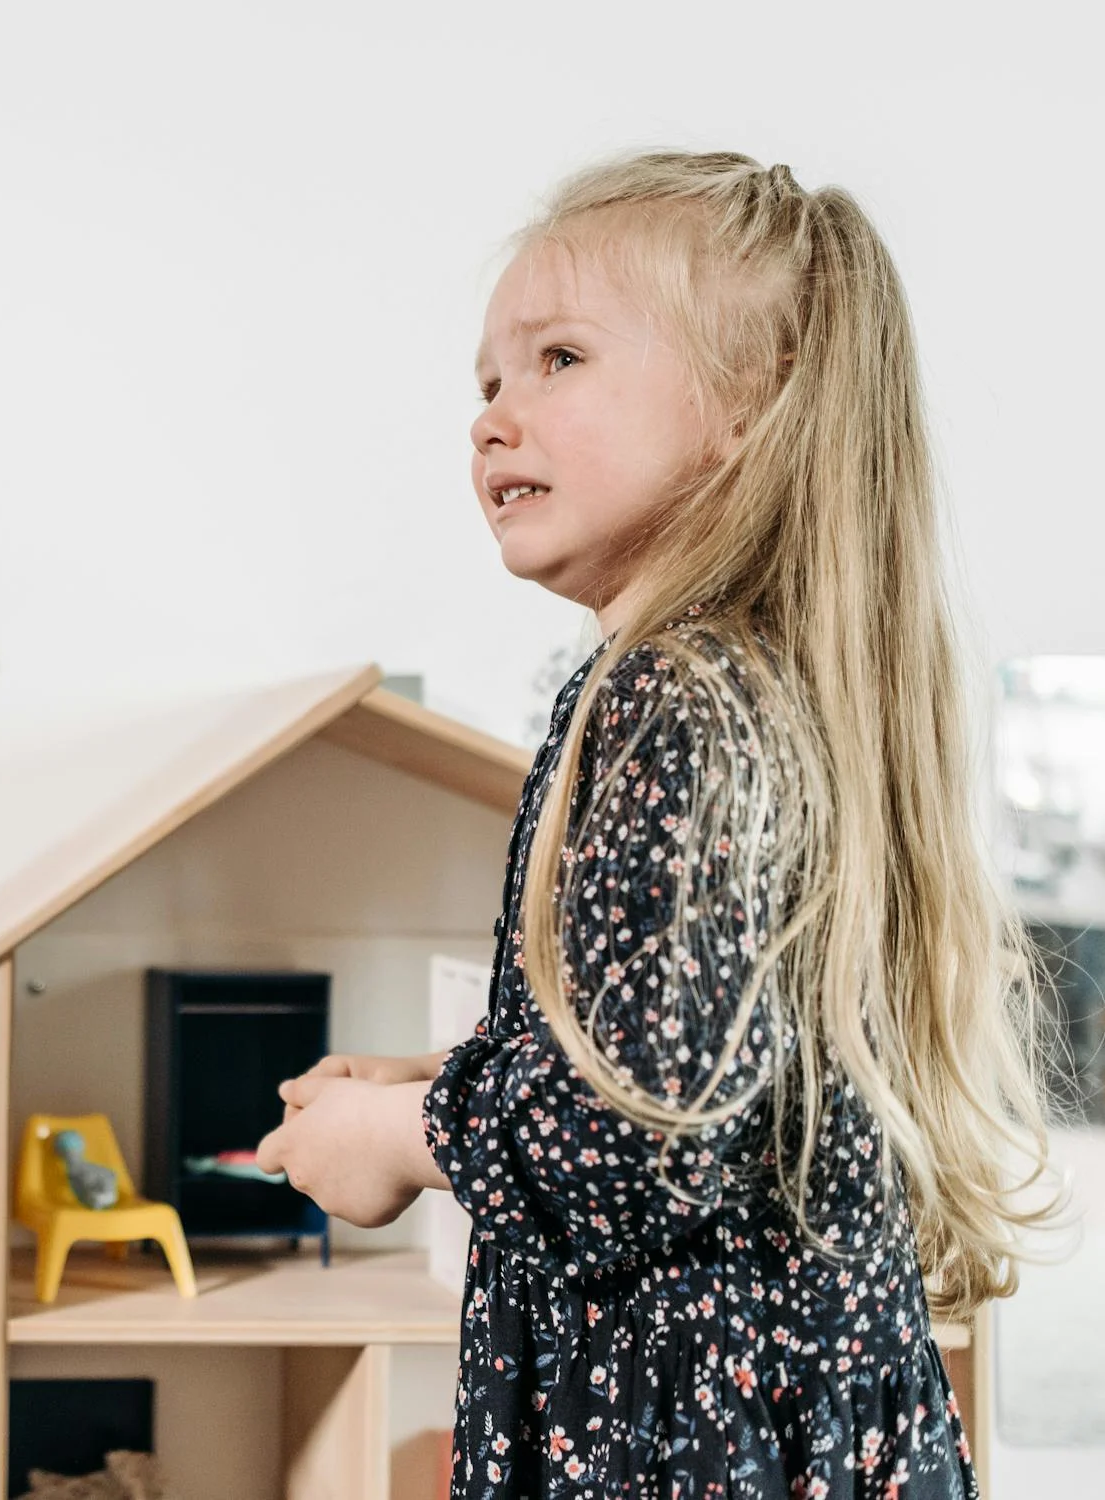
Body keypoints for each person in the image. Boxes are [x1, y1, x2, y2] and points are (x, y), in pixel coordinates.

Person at [254, 150, 1075, 1498]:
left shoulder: (672, 691)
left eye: (557, 359)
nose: (493, 416)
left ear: (746, 405)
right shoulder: (760, 684)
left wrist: (400, 1142)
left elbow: (654, 1128)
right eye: (486, 382)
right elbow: (709, 1064)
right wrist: (462, 1078)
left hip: (682, 1440)